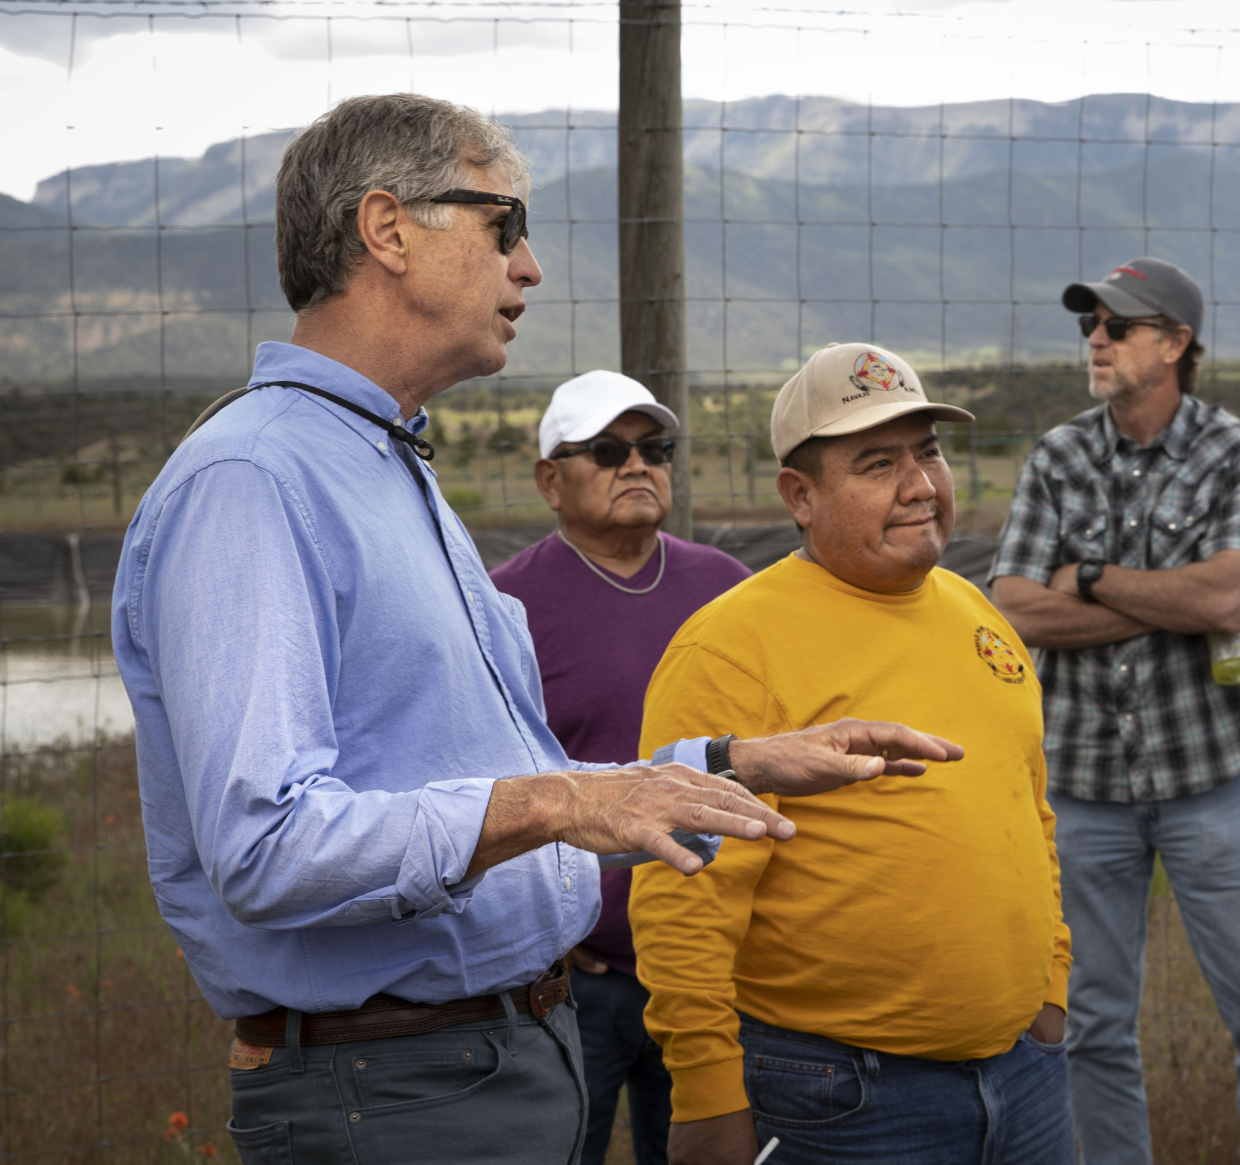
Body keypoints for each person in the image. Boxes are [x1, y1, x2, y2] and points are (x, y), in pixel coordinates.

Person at [111, 95, 961, 1165]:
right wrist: (559, 799)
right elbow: (266, 844)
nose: (530, 269)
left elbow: (488, 774)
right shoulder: (256, 480)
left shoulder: (382, 465)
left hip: (488, 1062)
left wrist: (725, 764)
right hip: (401, 1090)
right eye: (503, 225)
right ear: (387, 230)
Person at [628, 342, 1074, 1165]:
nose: (920, 485)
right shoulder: (731, 647)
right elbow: (684, 893)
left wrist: (1050, 988)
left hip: (1026, 1076)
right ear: (799, 495)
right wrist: (707, 1093)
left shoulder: (975, 611)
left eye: (928, 452)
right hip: (843, 1099)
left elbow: (1028, 808)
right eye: (877, 463)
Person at [989, 256, 1240, 1165]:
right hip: (1083, 786)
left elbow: (1231, 600)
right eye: (1090, 324)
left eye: (1118, 326)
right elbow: (1014, 606)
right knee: (1091, 1027)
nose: (1095, 339)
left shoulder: (1236, 452)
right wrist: (1168, 594)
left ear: (1175, 344)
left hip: (1211, 783)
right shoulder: (1059, 455)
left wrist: (1089, 578)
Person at [491, 369, 751, 1165]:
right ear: (549, 479)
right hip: (578, 974)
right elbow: (477, 785)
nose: (637, 465)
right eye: (606, 450)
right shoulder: (505, 608)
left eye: (654, 448)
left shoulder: (727, 590)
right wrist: (542, 928)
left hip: (715, 964)